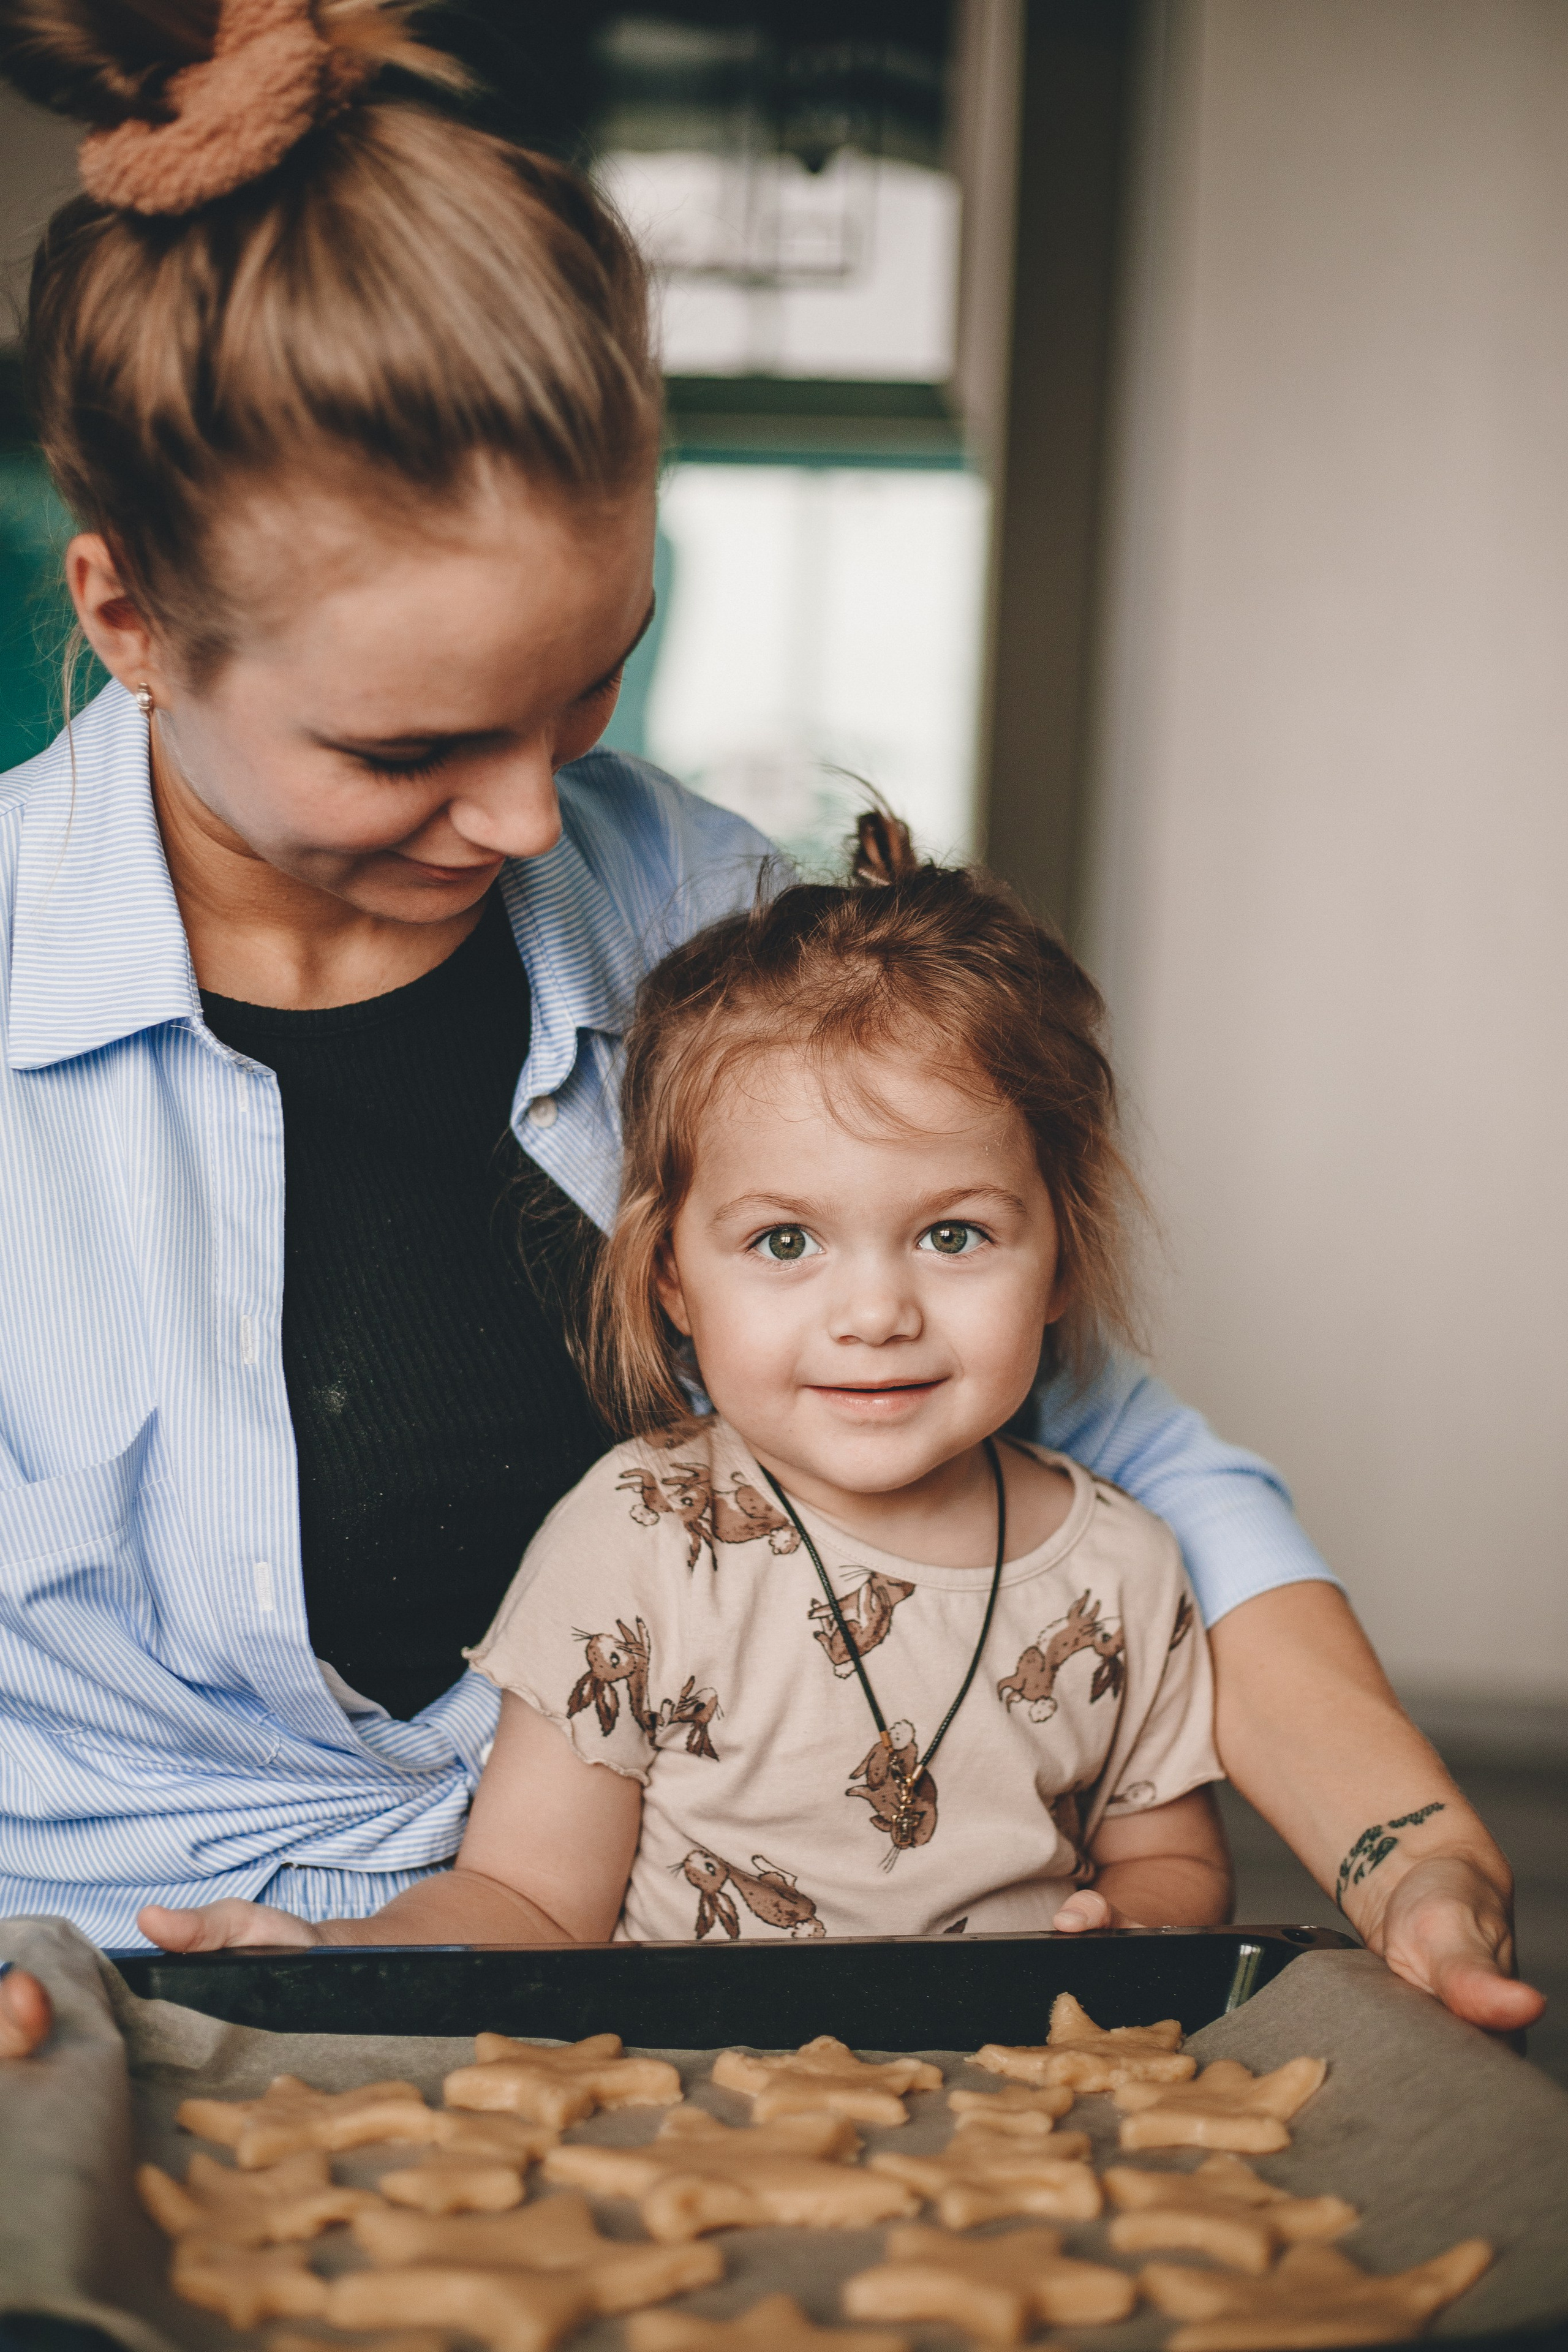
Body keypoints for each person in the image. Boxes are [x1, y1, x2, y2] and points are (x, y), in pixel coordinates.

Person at [0, 0, 1539, 2046]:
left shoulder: (695, 912)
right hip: (91, 2011)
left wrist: (1406, 1851)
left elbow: (1119, 1454)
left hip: (673, 2010)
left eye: (589, 685)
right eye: (411, 748)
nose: (532, 820)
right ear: (126, 616)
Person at [141, 815, 1237, 1949]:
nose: (876, 1316)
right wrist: (338, 1957)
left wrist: (1135, 1923)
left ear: (1061, 1259)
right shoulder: (636, 1541)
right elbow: (527, 1898)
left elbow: (1170, 1858)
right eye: (784, 1242)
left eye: (953, 1236)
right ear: (671, 1278)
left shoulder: (1123, 1568)